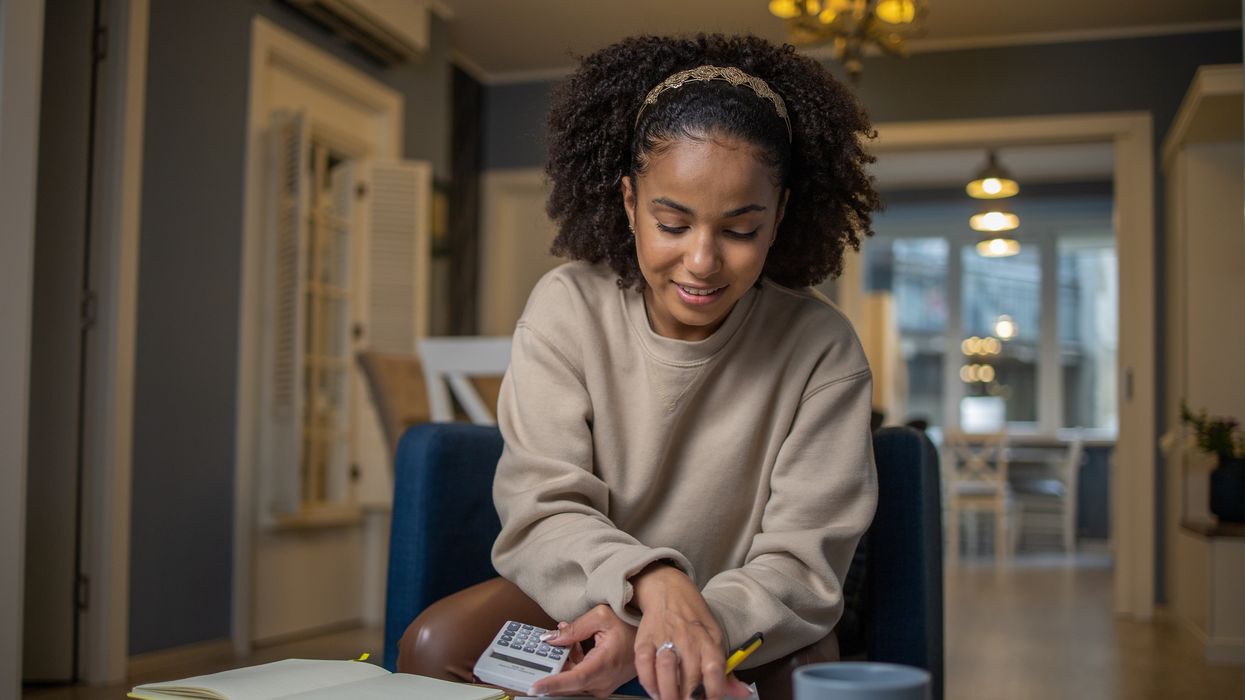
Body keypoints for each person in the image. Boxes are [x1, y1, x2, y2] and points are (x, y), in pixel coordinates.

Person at [398, 33, 880, 700]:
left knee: (807, 677)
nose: (702, 262)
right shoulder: (567, 307)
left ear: (780, 216)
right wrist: (648, 589)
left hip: (744, 613)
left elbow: (802, 566)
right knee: (435, 645)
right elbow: (543, 511)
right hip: (591, 588)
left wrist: (680, 630)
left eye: (740, 230)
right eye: (673, 224)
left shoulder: (822, 347)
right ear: (629, 203)